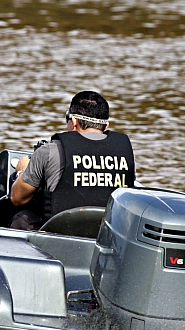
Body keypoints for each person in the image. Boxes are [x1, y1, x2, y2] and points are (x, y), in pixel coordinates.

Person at [9, 91, 135, 230]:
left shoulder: (50, 151)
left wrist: (22, 170)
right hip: (108, 236)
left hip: (60, 239)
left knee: (21, 219)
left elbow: (17, 198)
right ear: (106, 126)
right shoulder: (124, 152)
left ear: (74, 122)